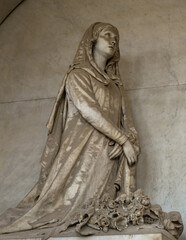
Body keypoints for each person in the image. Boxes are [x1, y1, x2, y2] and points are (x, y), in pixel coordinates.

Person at [0, 22, 140, 234]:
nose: (113, 40)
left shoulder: (116, 85)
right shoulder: (78, 76)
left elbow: (126, 121)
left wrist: (125, 142)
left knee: (97, 208)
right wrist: (123, 140)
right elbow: (89, 110)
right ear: (92, 40)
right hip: (78, 152)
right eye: (107, 35)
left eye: (116, 38)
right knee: (65, 205)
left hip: (107, 154)